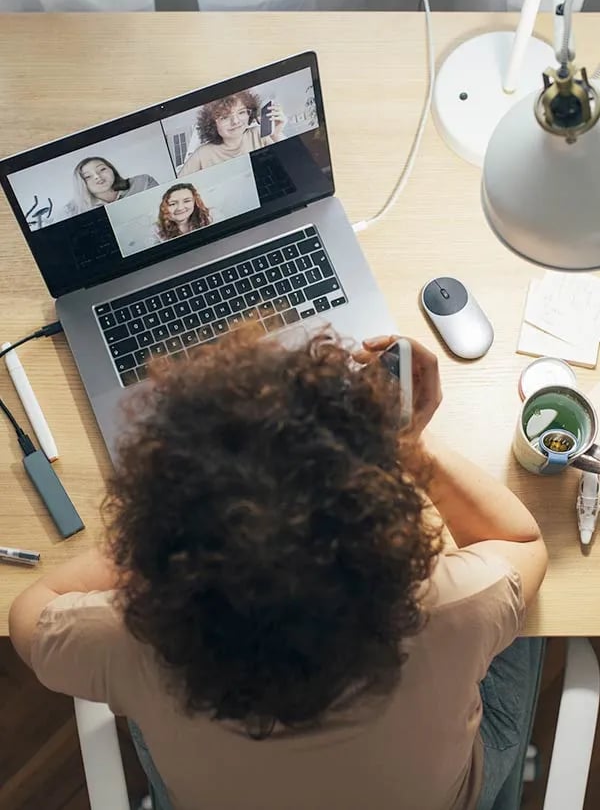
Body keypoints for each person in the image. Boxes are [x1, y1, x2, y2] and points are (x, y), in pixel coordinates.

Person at [9, 329, 547, 810]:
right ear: (379, 524)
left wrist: (159, 533)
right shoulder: (453, 605)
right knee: (529, 615)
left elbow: (30, 612)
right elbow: (519, 539)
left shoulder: (125, 639)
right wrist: (409, 445)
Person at [178, 90, 287, 175]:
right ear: (212, 124)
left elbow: (293, 166)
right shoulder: (202, 154)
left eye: (241, 112)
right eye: (225, 117)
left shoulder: (260, 134)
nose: (235, 121)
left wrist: (276, 135)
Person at [64, 156, 158, 218]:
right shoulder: (73, 209)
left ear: (112, 169)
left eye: (102, 169)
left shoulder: (143, 182)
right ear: (81, 183)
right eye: (88, 176)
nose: (97, 176)